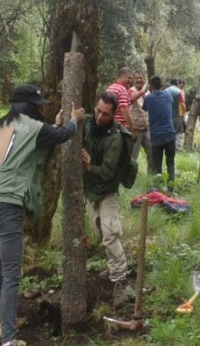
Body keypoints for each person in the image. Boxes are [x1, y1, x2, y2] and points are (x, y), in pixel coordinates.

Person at [0, 85, 84, 346]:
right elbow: (63, 135)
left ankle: (4, 326)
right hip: (6, 205)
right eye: (39, 105)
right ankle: (10, 340)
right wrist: (74, 121)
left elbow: (29, 149)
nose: (41, 109)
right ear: (30, 107)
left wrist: (55, 125)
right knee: (12, 274)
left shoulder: (3, 126)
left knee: (3, 268)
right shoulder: (34, 128)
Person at [81, 91, 131, 307]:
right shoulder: (86, 123)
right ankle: (113, 264)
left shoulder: (115, 138)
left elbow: (109, 171)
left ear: (114, 115)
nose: (100, 117)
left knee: (110, 233)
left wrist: (89, 166)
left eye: (106, 114)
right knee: (99, 231)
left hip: (107, 190)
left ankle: (120, 282)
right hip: (90, 190)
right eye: (98, 111)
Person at [143, 75, 176, 187]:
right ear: (161, 85)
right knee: (170, 161)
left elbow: (145, 108)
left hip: (156, 136)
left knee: (157, 164)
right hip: (170, 133)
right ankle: (171, 185)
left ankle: (158, 187)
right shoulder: (168, 95)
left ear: (151, 86)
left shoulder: (148, 98)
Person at [129, 69, 150, 166]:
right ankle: (129, 177)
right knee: (133, 154)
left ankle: (152, 175)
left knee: (151, 152)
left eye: (140, 78)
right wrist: (142, 92)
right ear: (133, 80)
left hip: (147, 127)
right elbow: (132, 98)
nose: (139, 80)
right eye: (136, 78)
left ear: (144, 79)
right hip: (136, 128)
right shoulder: (131, 90)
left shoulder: (148, 92)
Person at [106, 67, 135, 131]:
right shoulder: (122, 89)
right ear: (121, 76)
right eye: (129, 78)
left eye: (131, 79)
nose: (130, 81)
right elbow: (124, 110)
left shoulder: (110, 88)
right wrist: (132, 128)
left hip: (110, 125)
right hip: (121, 128)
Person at [166, 78, 184, 151]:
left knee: (169, 132)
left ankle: (168, 148)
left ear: (170, 83)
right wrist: (183, 114)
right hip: (177, 116)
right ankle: (177, 149)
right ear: (177, 83)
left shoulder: (165, 91)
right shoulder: (179, 92)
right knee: (178, 132)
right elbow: (183, 104)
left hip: (167, 116)